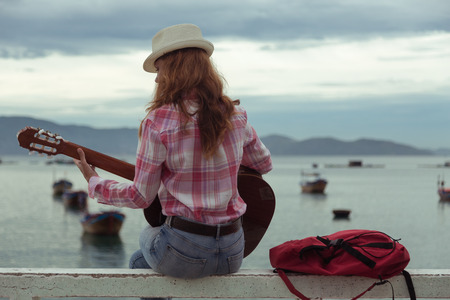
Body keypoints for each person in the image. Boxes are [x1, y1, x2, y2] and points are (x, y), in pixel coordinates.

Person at [74, 24, 272, 279]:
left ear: (174, 70)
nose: (156, 79)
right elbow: (263, 164)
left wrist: (94, 182)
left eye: (159, 70)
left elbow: (140, 197)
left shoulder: (157, 122)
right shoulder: (236, 115)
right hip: (234, 251)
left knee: (140, 254)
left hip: (185, 253)